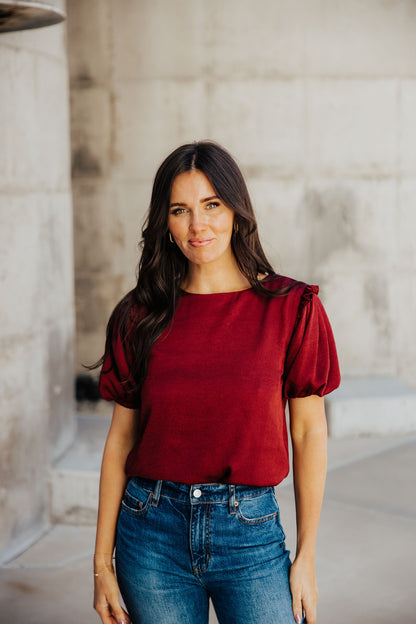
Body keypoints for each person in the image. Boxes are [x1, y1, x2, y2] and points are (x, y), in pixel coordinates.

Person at [92, 140, 340, 624]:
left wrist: (306, 555)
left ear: (236, 210)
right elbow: (121, 438)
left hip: (249, 533)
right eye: (180, 210)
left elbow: (309, 433)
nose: (197, 225)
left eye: (212, 205)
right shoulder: (138, 316)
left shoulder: (292, 308)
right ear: (164, 221)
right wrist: (102, 564)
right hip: (150, 534)